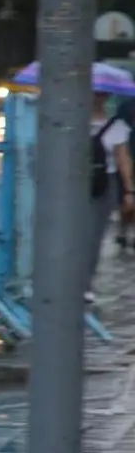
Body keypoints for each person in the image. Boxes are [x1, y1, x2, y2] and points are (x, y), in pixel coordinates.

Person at [85, 92, 134, 303]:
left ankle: (86, 282)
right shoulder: (71, 123)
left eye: (100, 95)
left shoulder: (117, 126)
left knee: (94, 236)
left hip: (104, 184)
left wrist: (129, 190)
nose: (97, 98)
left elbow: (124, 161)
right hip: (76, 184)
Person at [114, 95, 135, 249]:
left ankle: (126, 232)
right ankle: (123, 231)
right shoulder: (127, 105)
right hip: (128, 154)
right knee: (127, 199)